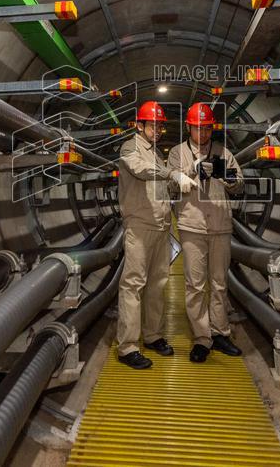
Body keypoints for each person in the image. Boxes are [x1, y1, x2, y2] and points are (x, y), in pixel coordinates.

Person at [116, 100, 197, 369]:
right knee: (133, 285)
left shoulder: (156, 152)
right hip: (139, 226)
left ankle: (152, 335)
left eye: (160, 126)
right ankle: (127, 347)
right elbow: (142, 171)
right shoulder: (131, 147)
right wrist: (173, 173)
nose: (158, 130)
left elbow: (161, 188)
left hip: (161, 227)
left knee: (157, 285)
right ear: (140, 125)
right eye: (153, 125)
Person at [167, 102, 244, 363]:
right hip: (192, 225)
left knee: (219, 283)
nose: (203, 134)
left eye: (207, 128)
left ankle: (220, 332)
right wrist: (192, 170)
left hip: (221, 225)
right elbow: (170, 183)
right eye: (198, 128)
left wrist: (223, 174)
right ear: (189, 127)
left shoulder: (224, 153)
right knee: (195, 285)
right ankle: (202, 338)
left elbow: (238, 185)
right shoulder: (178, 153)